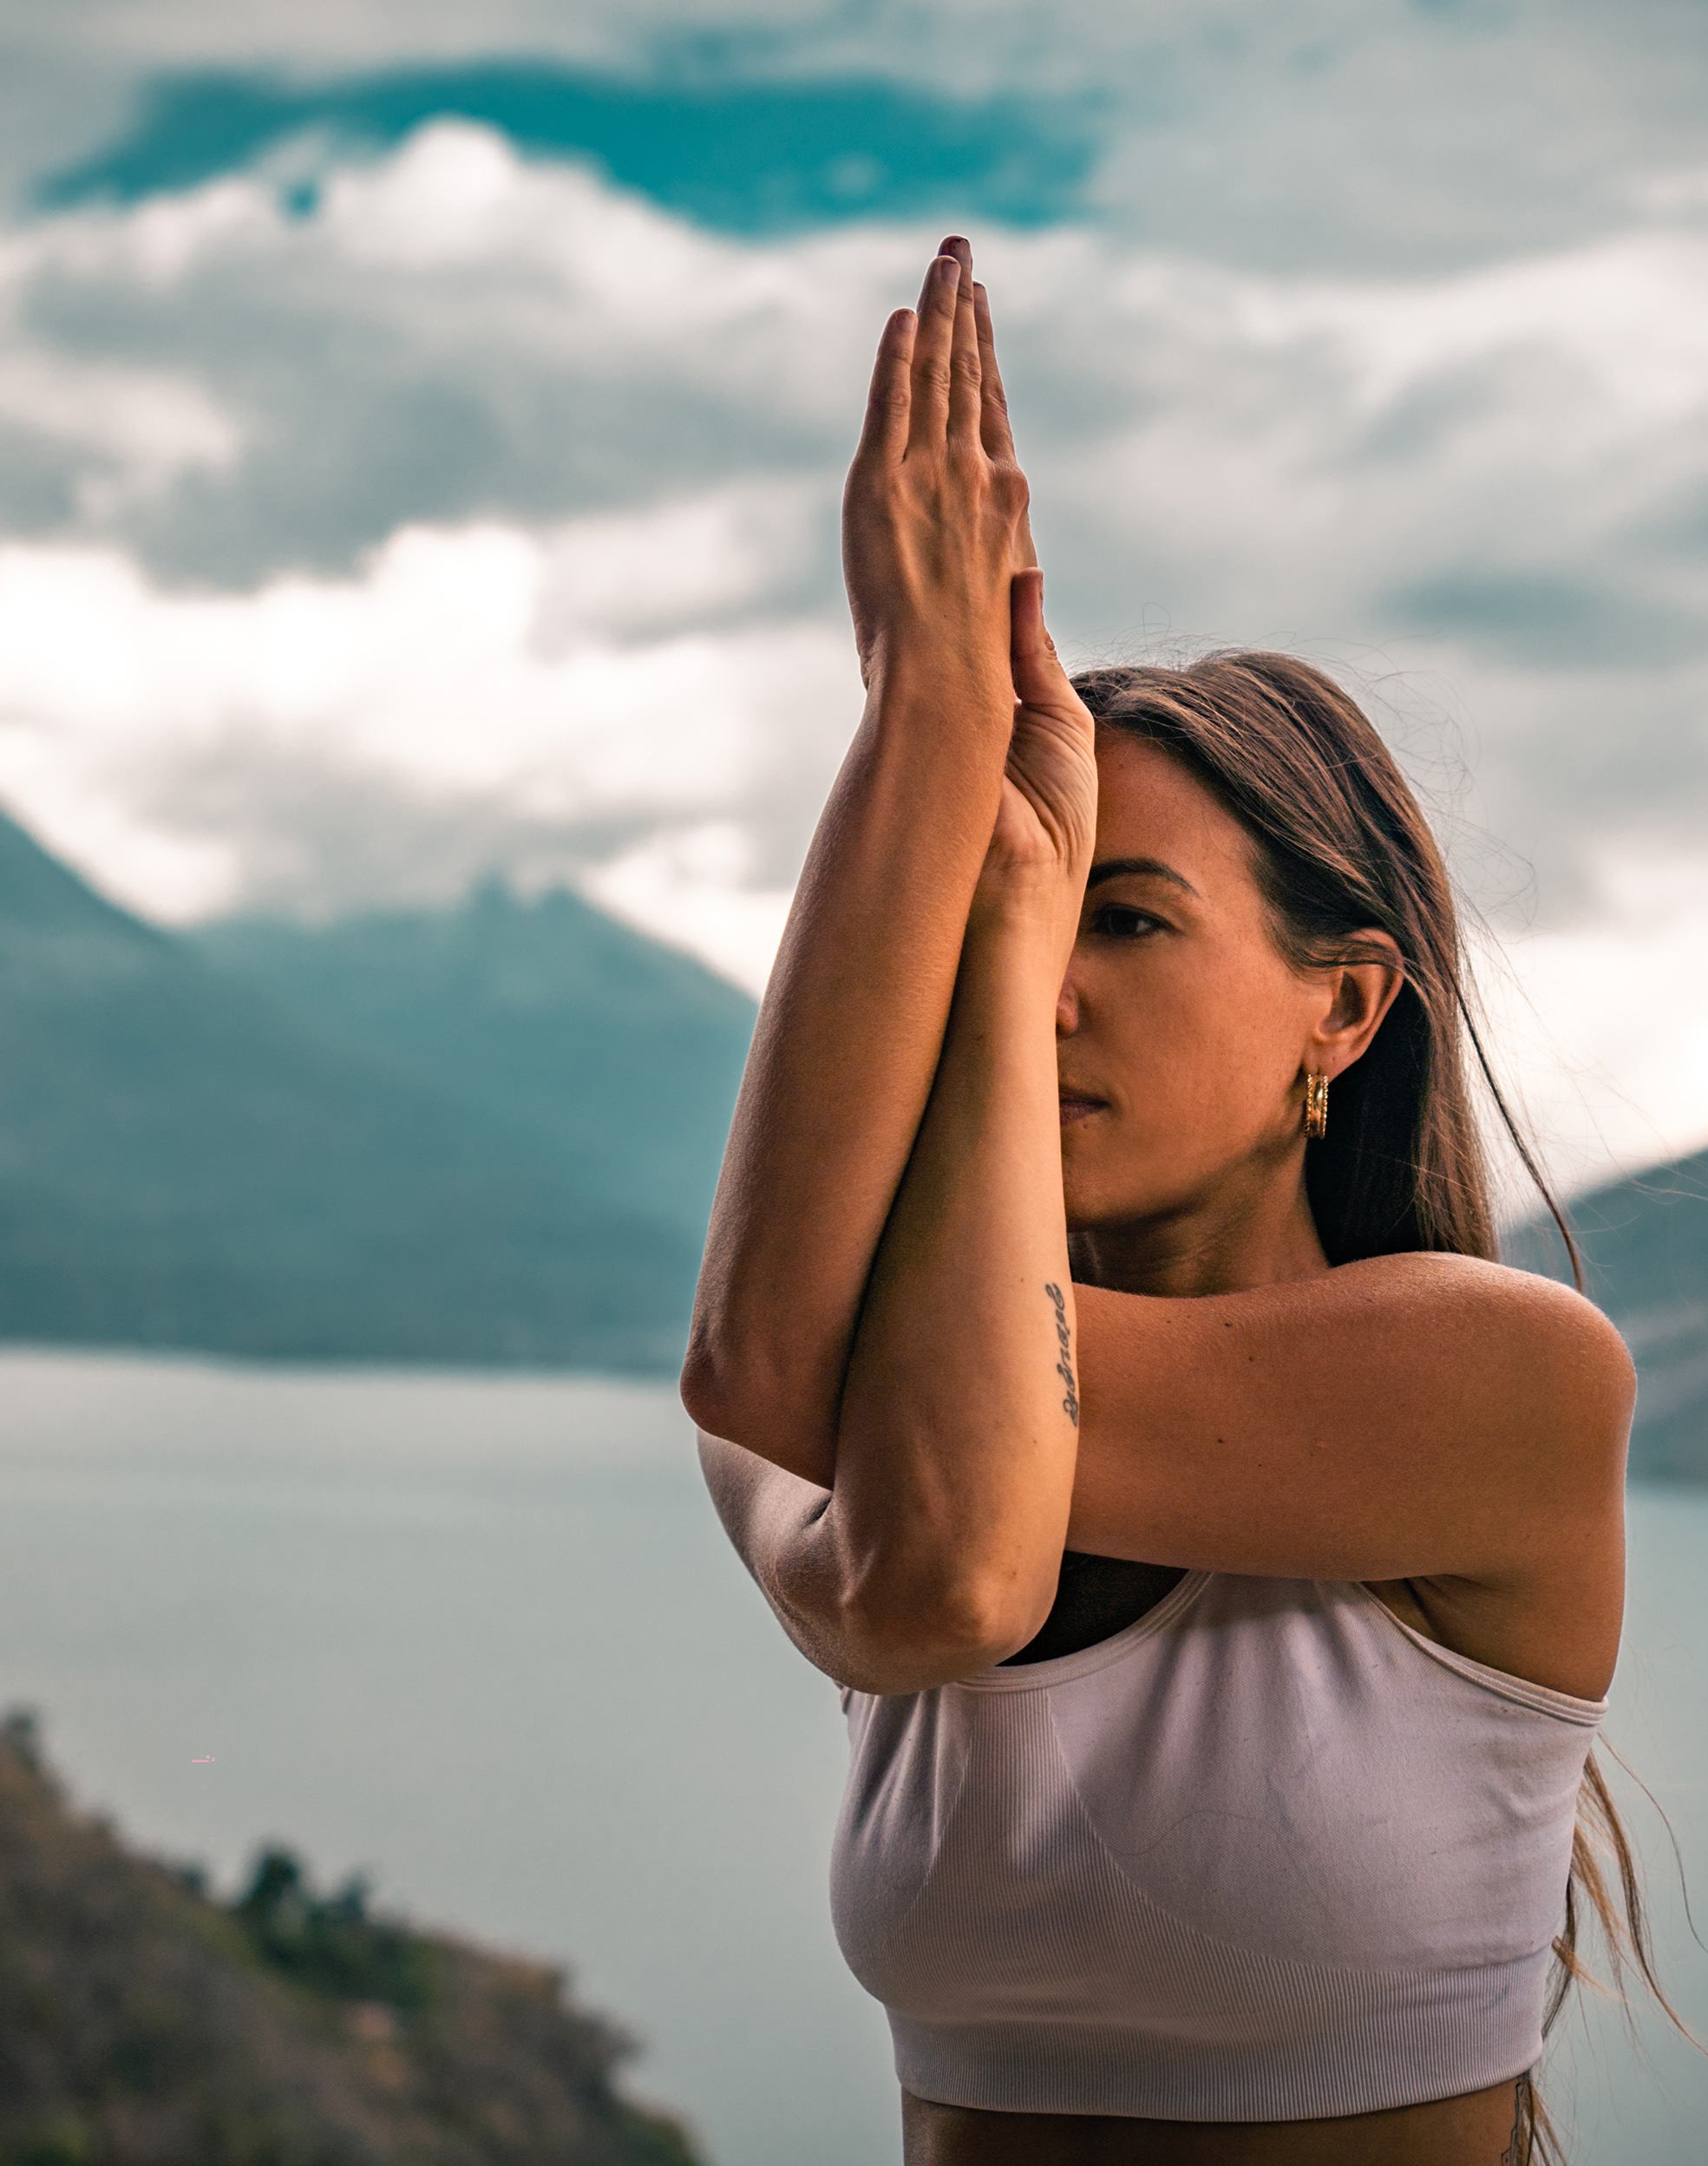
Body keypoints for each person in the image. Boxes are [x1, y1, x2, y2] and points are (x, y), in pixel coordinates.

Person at [684, 235, 1651, 2165]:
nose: (1034, 986)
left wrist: (939, 719)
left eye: (1118, 916)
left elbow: (934, 1526)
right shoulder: (854, 1392)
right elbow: (806, 1403)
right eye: (1002, 921)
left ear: (1346, 1005)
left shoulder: (1501, 1378)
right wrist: (925, 726)